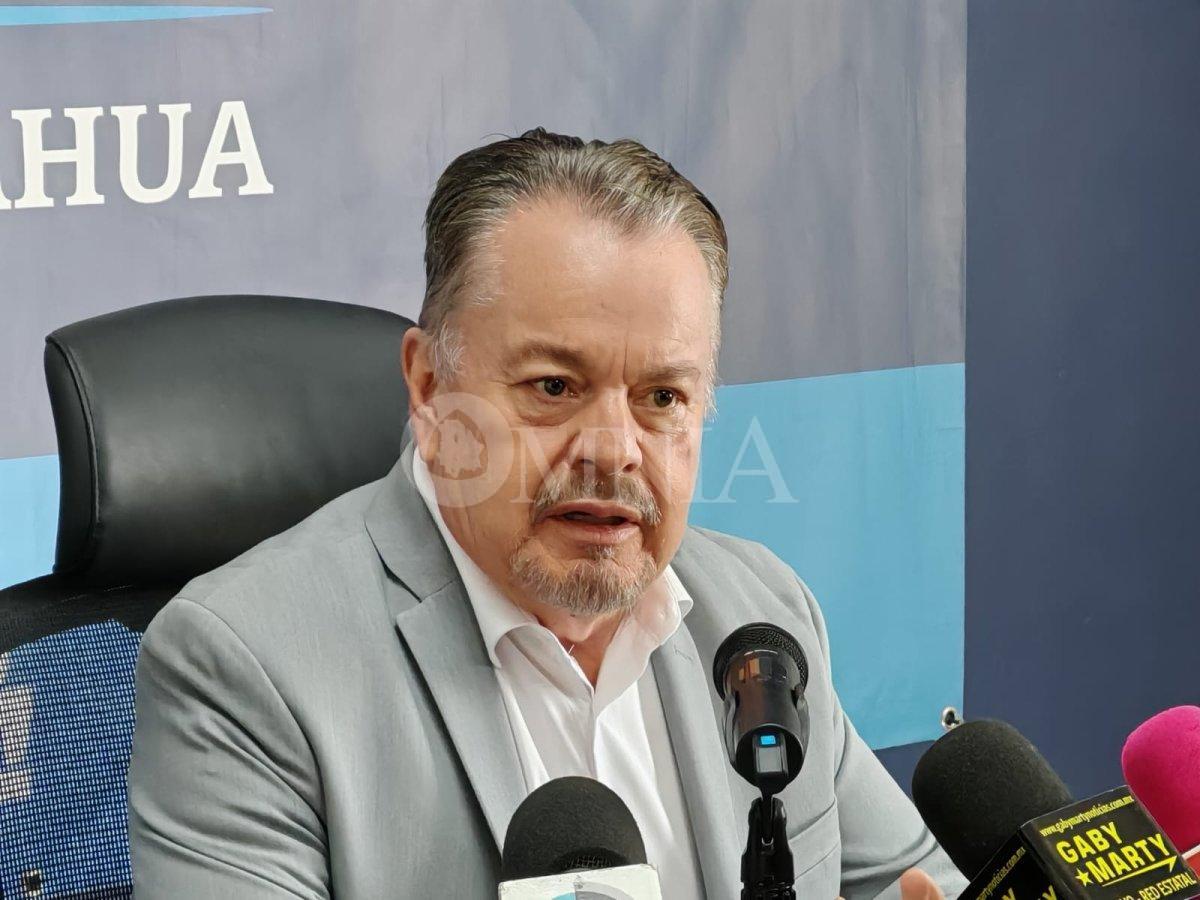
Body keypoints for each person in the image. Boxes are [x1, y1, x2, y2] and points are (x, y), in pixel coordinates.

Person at [127, 128, 966, 899]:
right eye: (555, 387)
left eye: (662, 397)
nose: (613, 449)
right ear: (429, 389)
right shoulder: (251, 666)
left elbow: (916, 884)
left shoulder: (758, 617)